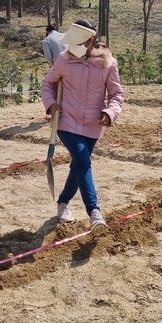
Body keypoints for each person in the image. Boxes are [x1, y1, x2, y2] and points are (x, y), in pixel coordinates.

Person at [41, 20, 124, 233]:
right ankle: (94, 212)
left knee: (77, 166)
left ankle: (62, 203)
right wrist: (51, 104)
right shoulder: (64, 60)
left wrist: (109, 113)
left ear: (89, 41)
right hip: (66, 121)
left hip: (93, 125)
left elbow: (116, 95)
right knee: (82, 160)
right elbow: (48, 84)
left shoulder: (108, 63)